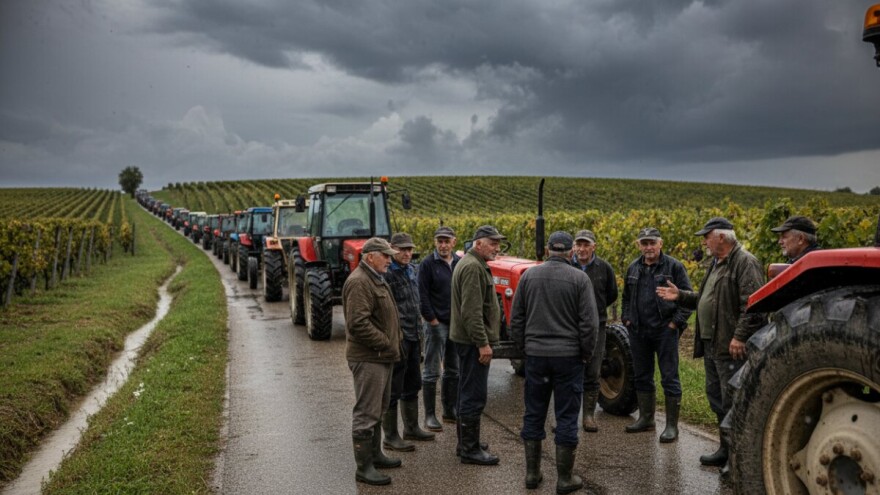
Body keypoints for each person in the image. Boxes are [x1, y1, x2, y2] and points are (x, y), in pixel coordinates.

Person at [656, 217, 766, 474]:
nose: (703, 241)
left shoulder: (744, 262)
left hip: (731, 345)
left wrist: (739, 336)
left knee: (734, 401)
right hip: (713, 344)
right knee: (717, 398)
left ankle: (737, 458)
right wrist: (681, 296)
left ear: (721, 237)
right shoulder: (717, 263)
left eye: (706, 236)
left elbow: (753, 305)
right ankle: (724, 449)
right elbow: (708, 300)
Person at [510, 231, 599, 493]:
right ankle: (564, 479)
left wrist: (526, 349)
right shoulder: (580, 278)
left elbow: (516, 320)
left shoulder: (528, 276)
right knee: (567, 415)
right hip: (569, 357)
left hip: (537, 356)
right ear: (571, 251)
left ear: (548, 249)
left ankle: (532, 474)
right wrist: (585, 353)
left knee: (534, 412)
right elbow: (589, 324)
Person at [620, 227, 693, 443]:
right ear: (639, 245)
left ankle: (672, 427)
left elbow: (688, 299)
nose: (648, 247)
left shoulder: (674, 267)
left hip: (664, 331)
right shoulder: (633, 267)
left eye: (652, 243)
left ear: (660, 244)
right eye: (644, 243)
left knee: (669, 377)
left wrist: (674, 324)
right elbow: (625, 297)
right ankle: (646, 418)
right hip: (638, 331)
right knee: (642, 375)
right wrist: (627, 318)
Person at [342, 237, 403, 486]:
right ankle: (364, 467)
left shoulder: (375, 277)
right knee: (367, 411)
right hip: (369, 357)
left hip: (382, 356)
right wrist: (386, 342)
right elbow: (358, 324)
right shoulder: (359, 282)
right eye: (385, 255)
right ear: (370, 257)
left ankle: (376, 454)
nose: (390, 260)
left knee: (379, 407)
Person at [449, 225, 504, 465]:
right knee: (474, 394)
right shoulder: (472, 267)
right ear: (478, 243)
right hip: (472, 343)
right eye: (493, 243)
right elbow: (471, 312)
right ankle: (470, 449)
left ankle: (466, 443)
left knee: (466, 391)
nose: (497, 247)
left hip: (467, 341)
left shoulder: (472, 263)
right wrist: (483, 343)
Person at [383, 233, 434, 451]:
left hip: (414, 335)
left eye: (409, 249)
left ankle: (411, 427)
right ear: (392, 249)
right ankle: (391, 436)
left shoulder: (412, 270)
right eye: (402, 250)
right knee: (393, 388)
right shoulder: (387, 275)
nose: (407, 253)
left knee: (413, 383)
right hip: (398, 337)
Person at [570, 229, 618, 433]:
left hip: (596, 325)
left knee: (593, 370)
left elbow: (611, 294)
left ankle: (588, 416)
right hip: (570, 325)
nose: (581, 249)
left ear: (594, 247)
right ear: (573, 247)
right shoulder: (566, 265)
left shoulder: (604, 268)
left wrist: (593, 312)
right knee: (569, 371)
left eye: (585, 245)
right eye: (578, 245)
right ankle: (568, 416)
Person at [418, 226, 461, 432]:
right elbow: (423, 296)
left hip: (456, 324)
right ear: (435, 242)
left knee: (453, 368)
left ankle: (449, 410)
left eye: (447, 241)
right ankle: (429, 415)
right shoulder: (427, 264)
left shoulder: (459, 263)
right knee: (431, 369)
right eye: (439, 241)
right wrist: (432, 321)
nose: (443, 245)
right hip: (436, 323)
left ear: (454, 242)